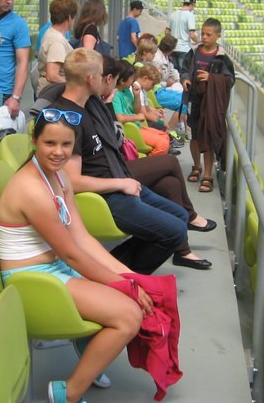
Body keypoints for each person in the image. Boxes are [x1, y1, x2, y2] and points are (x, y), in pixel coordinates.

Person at [0, 109, 151, 403]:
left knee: (128, 294)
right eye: (49, 143)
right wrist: (127, 287)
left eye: (66, 144)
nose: (58, 152)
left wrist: (130, 277)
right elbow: (72, 253)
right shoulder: (30, 189)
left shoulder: (59, 176)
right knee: (129, 316)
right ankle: (66, 395)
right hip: (31, 280)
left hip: (56, 268)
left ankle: (87, 351)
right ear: (34, 141)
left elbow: (82, 238)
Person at [34, 53, 215, 270]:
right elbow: (71, 181)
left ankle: (116, 269)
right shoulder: (67, 120)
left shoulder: (89, 105)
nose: (106, 79)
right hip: (105, 196)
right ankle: (120, 276)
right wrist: (121, 183)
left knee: (180, 215)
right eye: (101, 74)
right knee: (175, 231)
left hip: (117, 180)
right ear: (91, 79)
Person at [181, 18, 235, 194]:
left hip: (210, 104)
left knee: (208, 138)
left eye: (208, 34)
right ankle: (196, 166)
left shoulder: (223, 58)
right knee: (195, 136)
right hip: (193, 101)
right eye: (202, 33)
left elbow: (229, 80)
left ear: (218, 36)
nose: (203, 37)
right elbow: (184, 70)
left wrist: (211, 79)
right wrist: (185, 79)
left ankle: (208, 174)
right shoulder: (193, 52)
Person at [112, 62, 170, 157]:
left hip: (138, 126)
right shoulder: (115, 96)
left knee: (165, 136)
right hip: (131, 130)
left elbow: (136, 110)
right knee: (163, 144)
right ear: (122, 81)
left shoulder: (126, 91)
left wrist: (137, 95)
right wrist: (137, 117)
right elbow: (120, 118)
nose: (134, 80)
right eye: (132, 78)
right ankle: (149, 163)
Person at [36, 0, 78, 96]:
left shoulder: (50, 32)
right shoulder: (57, 41)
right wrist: (76, 85)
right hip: (53, 95)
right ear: (69, 17)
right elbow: (52, 76)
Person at [165, 0, 198, 72]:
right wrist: (199, 42)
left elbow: (166, 32)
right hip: (184, 48)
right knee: (183, 73)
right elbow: (192, 35)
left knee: (174, 73)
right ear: (192, 4)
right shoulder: (190, 15)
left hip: (173, 48)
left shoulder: (173, 14)